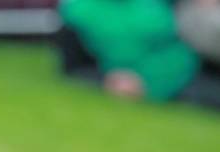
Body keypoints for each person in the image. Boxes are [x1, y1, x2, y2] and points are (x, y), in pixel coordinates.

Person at [56, 0, 220, 108]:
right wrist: (107, 80)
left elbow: (186, 37)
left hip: (190, 69)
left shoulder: (158, 4)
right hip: (152, 84)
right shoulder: (79, 12)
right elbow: (74, 67)